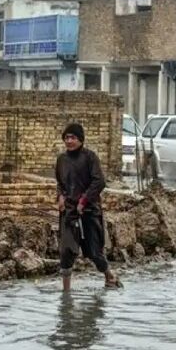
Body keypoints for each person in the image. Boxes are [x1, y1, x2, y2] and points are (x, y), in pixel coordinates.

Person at [56, 123, 122, 291]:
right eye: (67, 138)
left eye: (73, 138)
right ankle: (66, 294)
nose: (69, 141)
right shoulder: (62, 160)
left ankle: (109, 276)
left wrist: (84, 201)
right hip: (69, 212)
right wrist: (61, 197)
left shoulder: (90, 158)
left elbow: (99, 181)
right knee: (67, 250)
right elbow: (60, 183)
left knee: (94, 251)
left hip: (89, 211)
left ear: (81, 140)